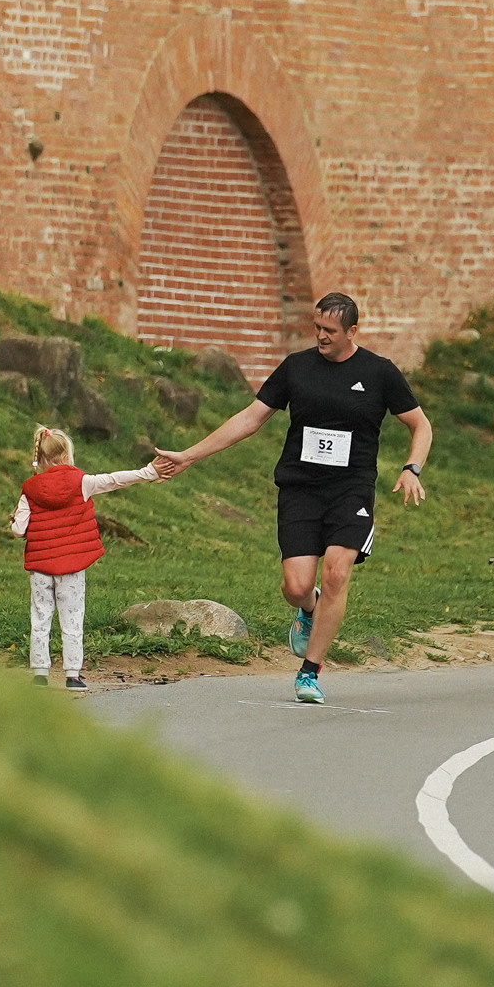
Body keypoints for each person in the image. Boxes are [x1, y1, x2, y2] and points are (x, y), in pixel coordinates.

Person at [153, 294, 431, 705]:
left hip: (351, 490)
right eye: (317, 327)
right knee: (297, 585)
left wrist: (412, 469)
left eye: (330, 331)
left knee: (337, 572)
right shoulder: (297, 367)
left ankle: (309, 673)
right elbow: (250, 418)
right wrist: (191, 455)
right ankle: (308, 610)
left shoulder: (379, 373)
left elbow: (420, 425)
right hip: (300, 488)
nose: (321, 336)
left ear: (353, 331)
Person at [10, 425, 163, 691]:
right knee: (72, 619)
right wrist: (149, 472)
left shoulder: (29, 489)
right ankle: (72, 676)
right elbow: (115, 479)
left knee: (41, 617)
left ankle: (39, 673)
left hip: (40, 566)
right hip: (72, 566)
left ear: (41, 456)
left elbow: (17, 530)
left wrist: (17, 519)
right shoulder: (82, 482)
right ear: (67, 454)